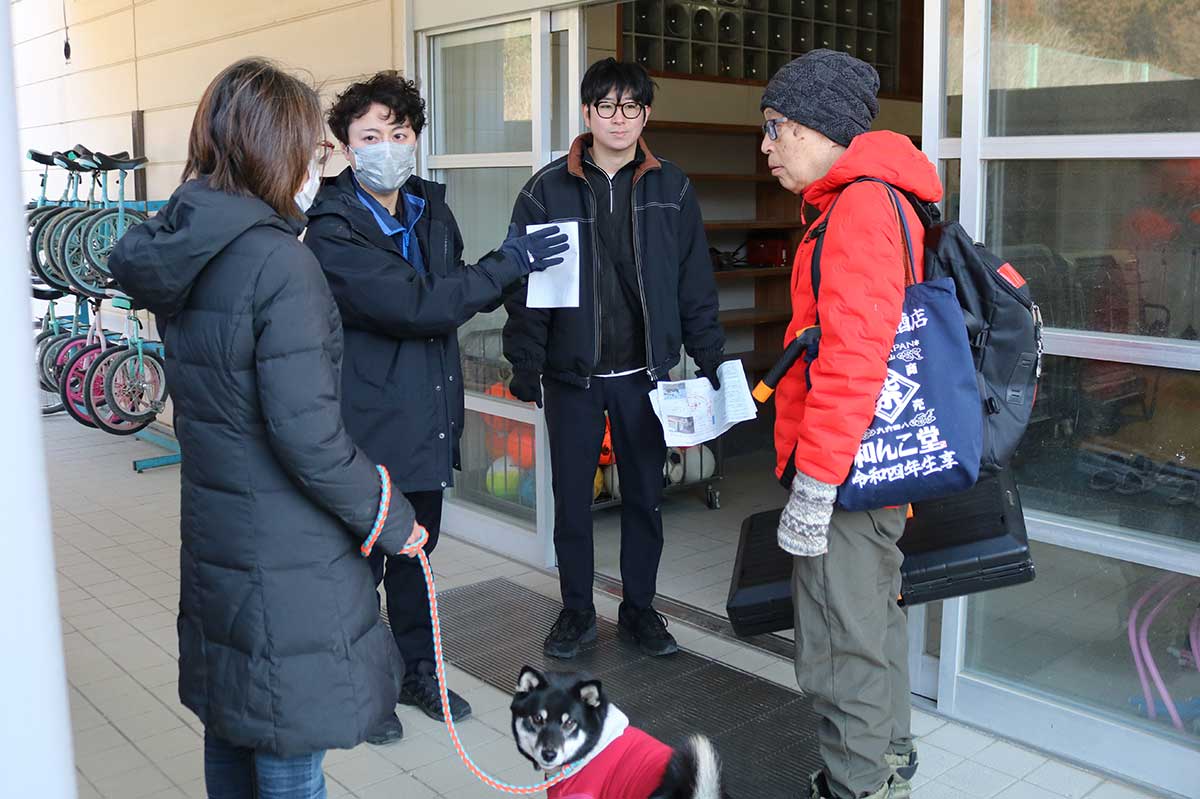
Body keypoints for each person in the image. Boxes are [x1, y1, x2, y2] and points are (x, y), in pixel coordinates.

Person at [108, 58, 426, 799]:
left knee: (234, 725)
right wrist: (391, 514)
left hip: (220, 531)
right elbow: (308, 437)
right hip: (287, 556)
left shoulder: (186, 246)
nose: (322, 166)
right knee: (287, 747)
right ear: (273, 150)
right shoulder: (281, 263)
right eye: (316, 150)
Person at [303, 72, 567, 738]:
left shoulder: (430, 208)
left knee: (416, 560)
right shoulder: (333, 229)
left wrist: (511, 276)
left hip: (427, 420)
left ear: (416, 137)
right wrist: (509, 263)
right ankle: (367, 690)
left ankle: (422, 671)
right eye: (370, 135)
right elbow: (418, 305)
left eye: (399, 132)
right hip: (365, 428)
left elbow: (450, 292)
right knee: (360, 567)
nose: (387, 146)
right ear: (345, 147)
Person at [760, 50, 943, 799]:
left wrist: (815, 484)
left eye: (775, 129)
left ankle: (859, 787)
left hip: (849, 473)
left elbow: (853, 359)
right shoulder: (879, 196)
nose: (766, 146)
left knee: (841, 647)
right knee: (871, 628)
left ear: (817, 127)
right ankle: (885, 767)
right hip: (870, 467)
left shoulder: (863, 205)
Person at [503, 58, 726, 660]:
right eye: (607, 106)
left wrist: (713, 361)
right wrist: (526, 360)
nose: (619, 118)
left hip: (645, 377)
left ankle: (640, 611)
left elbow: (694, 285)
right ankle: (576, 612)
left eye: (631, 107)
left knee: (645, 501)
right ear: (586, 112)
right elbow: (524, 282)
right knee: (573, 503)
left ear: (646, 115)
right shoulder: (546, 188)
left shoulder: (672, 187)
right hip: (573, 376)